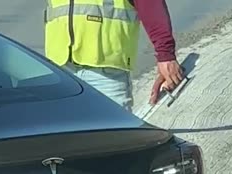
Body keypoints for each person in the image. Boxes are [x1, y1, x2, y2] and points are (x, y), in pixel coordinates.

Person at [44, 0, 185, 112]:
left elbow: (150, 5)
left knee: (115, 141)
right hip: (60, 72)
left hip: (106, 73)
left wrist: (165, 55)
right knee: (65, 142)